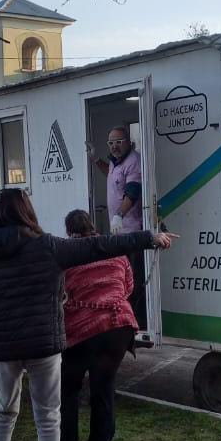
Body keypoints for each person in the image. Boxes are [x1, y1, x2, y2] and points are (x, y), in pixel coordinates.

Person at [0, 188, 173, 441]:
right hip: (44, 344)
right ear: (27, 211)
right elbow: (102, 246)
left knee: (4, 412)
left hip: (5, 347)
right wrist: (149, 238)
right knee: (48, 416)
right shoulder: (48, 247)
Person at [59, 210, 138, 441]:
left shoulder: (68, 255)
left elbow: (60, 291)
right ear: (92, 226)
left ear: (69, 231)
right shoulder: (115, 251)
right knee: (103, 389)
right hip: (118, 326)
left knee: (68, 388)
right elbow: (128, 287)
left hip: (81, 328)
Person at [87, 126, 147, 327]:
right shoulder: (116, 162)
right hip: (120, 233)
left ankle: (137, 322)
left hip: (132, 233)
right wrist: (96, 160)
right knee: (121, 278)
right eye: (111, 143)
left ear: (128, 142)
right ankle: (125, 318)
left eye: (119, 142)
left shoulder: (133, 161)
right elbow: (112, 175)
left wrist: (119, 215)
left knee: (133, 280)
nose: (114, 146)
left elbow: (132, 191)